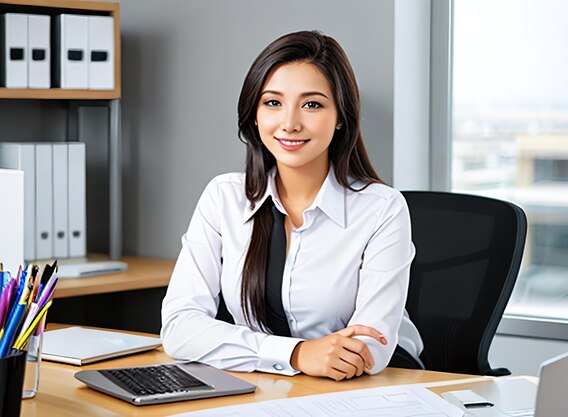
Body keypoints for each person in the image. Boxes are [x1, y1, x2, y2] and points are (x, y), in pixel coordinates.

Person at [161, 30, 423, 381]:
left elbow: (370, 349)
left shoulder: (382, 209)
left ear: (341, 116)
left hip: (367, 389)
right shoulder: (223, 197)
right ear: (254, 114)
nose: (289, 123)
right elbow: (179, 328)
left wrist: (249, 349)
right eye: (273, 103)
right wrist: (297, 353)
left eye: (312, 104)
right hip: (272, 384)